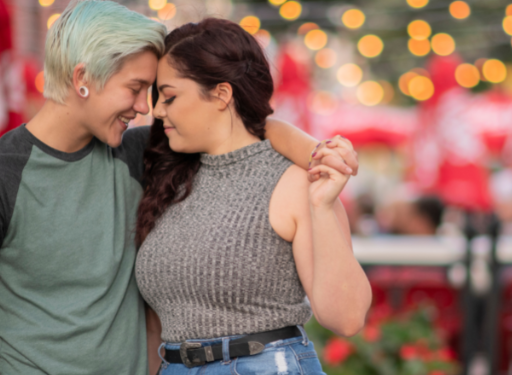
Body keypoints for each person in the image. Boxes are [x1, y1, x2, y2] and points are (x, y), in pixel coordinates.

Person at [0, 1, 359, 374]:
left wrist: (316, 154)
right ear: (83, 78)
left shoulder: (138, 153)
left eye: (157, 94)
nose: (146, 108)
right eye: (136, 89)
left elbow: (241, 126)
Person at [134, 18, 371, 374]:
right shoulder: (168, 179)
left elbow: (347, 318)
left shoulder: (291, 180)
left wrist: (321, 206)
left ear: (222, 95)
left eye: (169, 96)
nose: (157, 110)